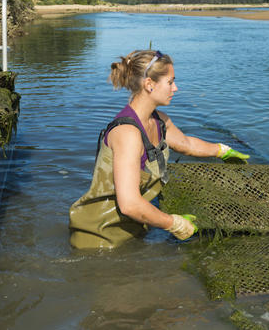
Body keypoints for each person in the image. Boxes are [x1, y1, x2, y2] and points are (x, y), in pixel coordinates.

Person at [68, 49, 249, 250]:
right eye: (170, 82)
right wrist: (175, 224)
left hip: (131, 231)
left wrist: (221, 150)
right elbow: (129, 204)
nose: (176, 88)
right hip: (98, 240)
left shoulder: (159, 120)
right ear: (149, 85)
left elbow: (186, 144)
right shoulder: (128, 133)